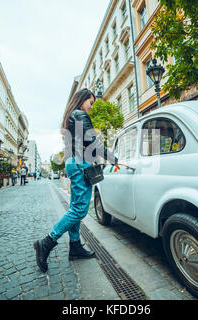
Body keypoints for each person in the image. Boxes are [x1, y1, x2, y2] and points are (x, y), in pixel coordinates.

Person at [34, 88, 126, 273]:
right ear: (82, 100)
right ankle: (46, 242)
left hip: (74, 161)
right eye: (91, 103)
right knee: (79, 209)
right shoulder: (79, 114)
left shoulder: (73, 115)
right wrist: (114, 159)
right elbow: (93, 143)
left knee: (75, 207)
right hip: (79, 163)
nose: (91, 107)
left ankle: (75, 246)